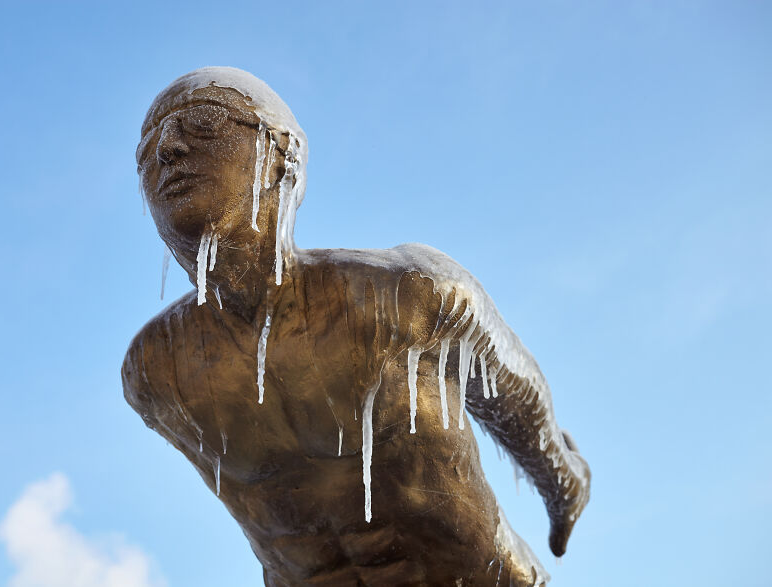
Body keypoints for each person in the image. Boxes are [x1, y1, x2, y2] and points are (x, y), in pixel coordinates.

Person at [122, 67, 590, 586]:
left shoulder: (402, 295)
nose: (167, 149)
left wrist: (562, 483)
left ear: (284, 156)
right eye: (145, 152)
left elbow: (515, 394)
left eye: (205, 124)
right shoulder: (158, 371)